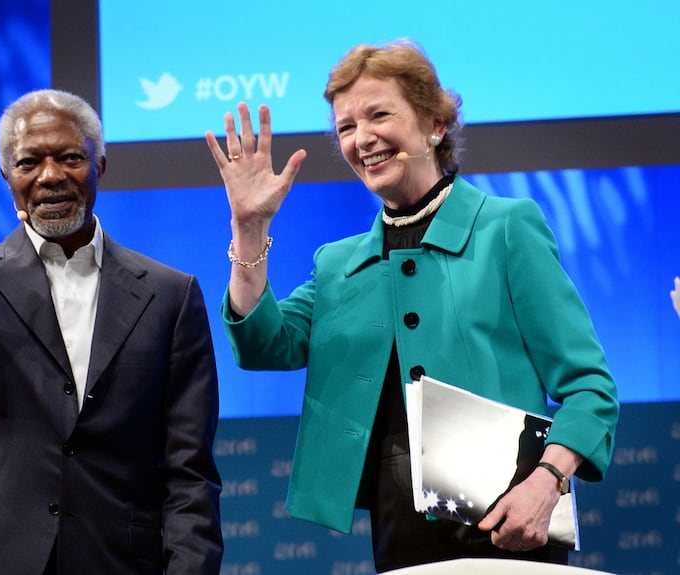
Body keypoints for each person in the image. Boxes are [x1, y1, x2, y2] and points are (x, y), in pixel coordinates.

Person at [205, 39, 619, 573]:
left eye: (379, 115)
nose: (363, 139)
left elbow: (590, 387)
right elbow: (262, 344)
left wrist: (548, 481)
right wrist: (249, 228)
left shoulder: (506, 229)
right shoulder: (338, 263)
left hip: (512, 524)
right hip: (399, 529)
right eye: (346, 127)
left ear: (435, 124)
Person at [0, 22, 223, 575]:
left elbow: (189, 474)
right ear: (7, 177)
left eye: (69, 158)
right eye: (29, 163)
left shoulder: (171, 296)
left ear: (99, 167)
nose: (50, 176)